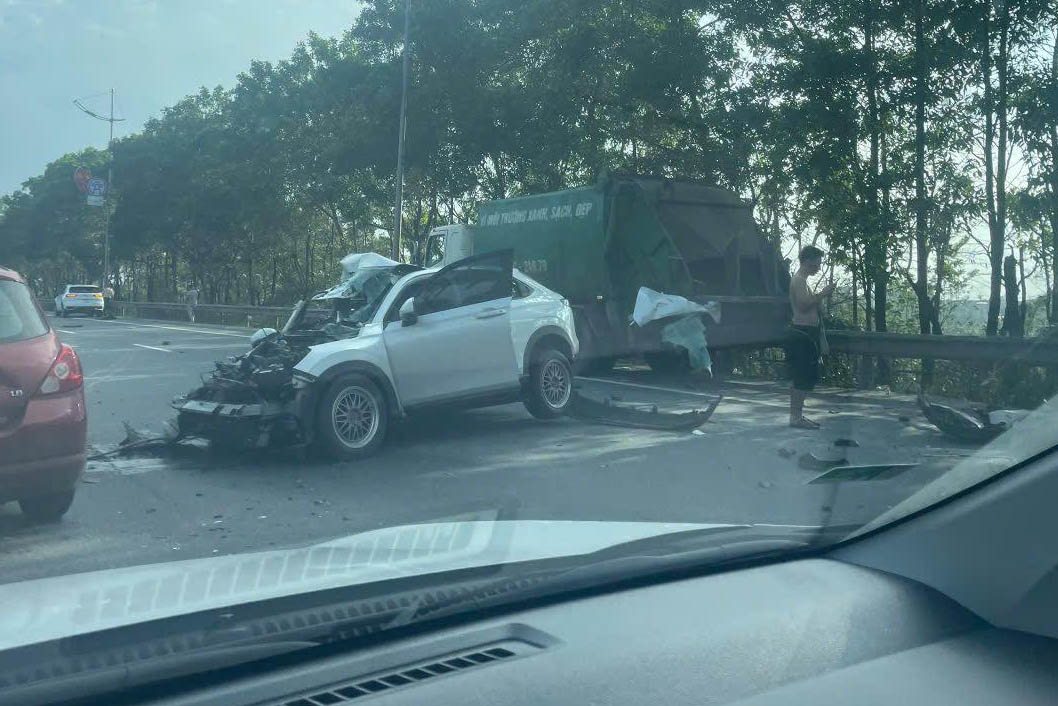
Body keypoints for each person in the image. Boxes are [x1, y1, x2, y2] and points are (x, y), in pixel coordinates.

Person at [785, 245, 835, 429]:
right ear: (807, 261)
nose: (819, 267)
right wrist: (823, 293)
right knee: (802, 376)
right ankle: (796, 417)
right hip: (801, 332)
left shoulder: (803, 281)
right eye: (817, 263)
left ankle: (797, 416)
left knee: (804, 376)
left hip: (808, 332)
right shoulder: (798, 280)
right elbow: (803, 305)